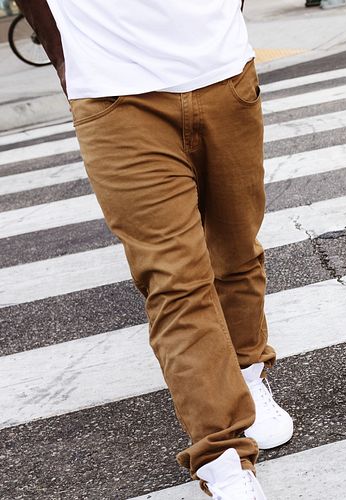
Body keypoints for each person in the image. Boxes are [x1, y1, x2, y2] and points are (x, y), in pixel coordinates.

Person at [18, 0, 294, 497]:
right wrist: (66, 58)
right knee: (175, 280)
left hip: (224, 71)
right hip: (114, 94)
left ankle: (248, 370)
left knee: (237, 250)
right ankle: (221, 452)